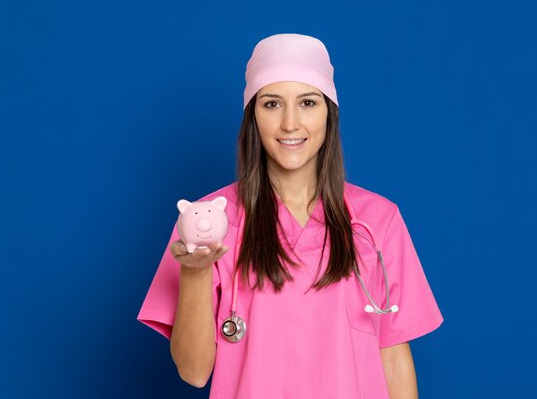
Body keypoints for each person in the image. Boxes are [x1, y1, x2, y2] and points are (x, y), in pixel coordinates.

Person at [137, 33, 444, 399]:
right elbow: (193, 371)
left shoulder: (378, 221)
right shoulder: (206, 224)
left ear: (329, 114)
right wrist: (196, 271)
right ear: (253, 116)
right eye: (271, 104)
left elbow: (393, 358)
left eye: (308, 102)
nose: (290, 123)